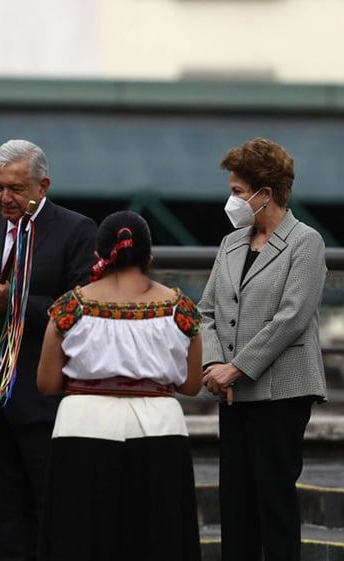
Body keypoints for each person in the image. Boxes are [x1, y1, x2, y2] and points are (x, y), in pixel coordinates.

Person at [0, 139, 98, 561]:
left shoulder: (76, 230)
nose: (4, 198)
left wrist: (16, 301)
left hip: (47, 397)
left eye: (15, 188)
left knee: (51, 510)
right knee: (4, 513)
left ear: (43, 184)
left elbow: (79, 309)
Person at [36, 210, 203, 561]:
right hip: (160, 424)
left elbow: (47, 383)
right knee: (158, 536)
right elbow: (190, 385)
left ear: (99, 256)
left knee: (80, 535)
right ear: (149, 257)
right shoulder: (180, 308)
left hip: (83, 423)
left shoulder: (71, 307)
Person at [199, 137, 327, 561]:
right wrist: (215, 364)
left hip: (281, 393)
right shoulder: (231, 243)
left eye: (237, 191)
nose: (230, 199)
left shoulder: (306, 243)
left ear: (265, 193)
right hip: (232, 393)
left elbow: (291, 318)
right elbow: (206, 312)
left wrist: (235, 368)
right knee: (234, 502)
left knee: (274, 501)